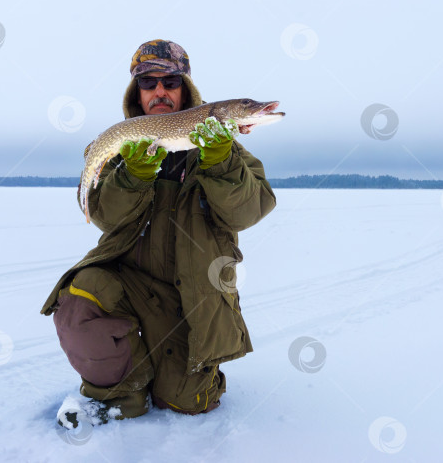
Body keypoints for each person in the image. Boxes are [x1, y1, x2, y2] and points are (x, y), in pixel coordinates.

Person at [41, 39, 276, 426]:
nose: (160, 91)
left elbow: (249, 211)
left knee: (188, 401)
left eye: (170, 81)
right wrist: (133, 176)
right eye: (148, 84)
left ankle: (185, 374)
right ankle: (117, 395)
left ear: (187, 90)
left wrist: (221, 163)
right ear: (138, 93)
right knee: (81, 293)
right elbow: (104, 217)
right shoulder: (120, 151)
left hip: (192, 304)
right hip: (130, 291)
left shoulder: (226, 150)